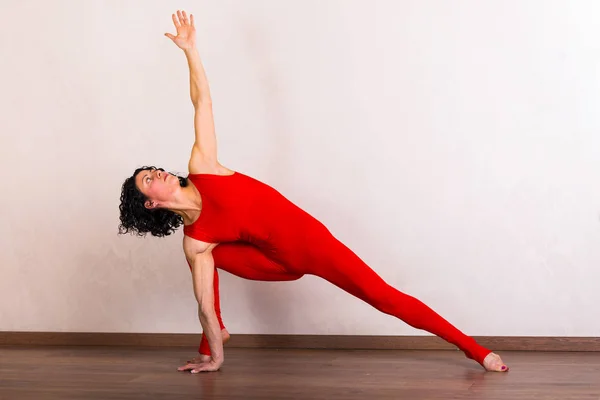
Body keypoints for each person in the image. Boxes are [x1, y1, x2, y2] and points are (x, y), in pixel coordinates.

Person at [118, 10, 509, 374]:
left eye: (153, 169)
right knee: (202, 257)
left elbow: (202, 101)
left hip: (310, 246)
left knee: (383, 297)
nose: (156, 173)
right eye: (148, 180)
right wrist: (214, 360)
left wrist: (190, 51)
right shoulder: (196, 241)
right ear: (151, 204)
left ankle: (475, 350)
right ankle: (215, 341)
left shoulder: (204, 166)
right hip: (272, 265)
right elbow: (203, 302)